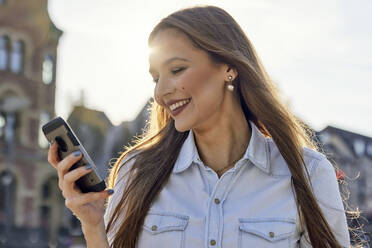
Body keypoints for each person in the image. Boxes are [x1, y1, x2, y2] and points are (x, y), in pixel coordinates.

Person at [48, 5, 352, 248]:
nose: (159, 92)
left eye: (177, 70)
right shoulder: (136, 172)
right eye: (156, 78)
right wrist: (91, 225)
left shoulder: (309, 174)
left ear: (229, 68)